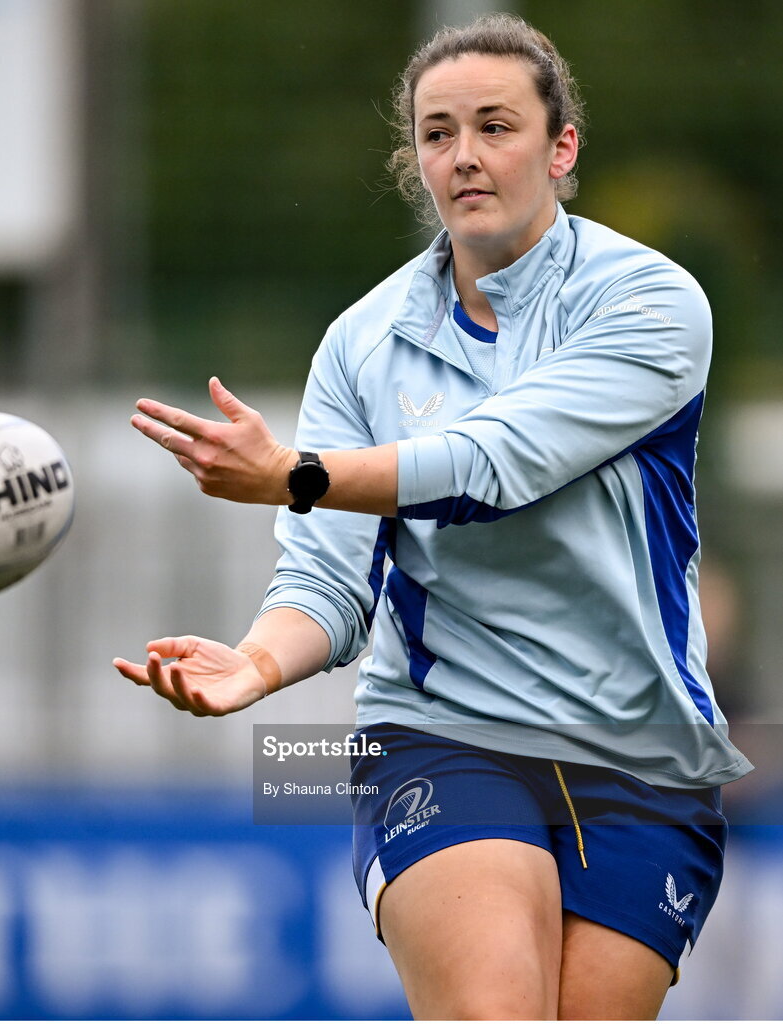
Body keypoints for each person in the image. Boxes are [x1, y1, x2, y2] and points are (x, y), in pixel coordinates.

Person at [114, 13, 752, 1020]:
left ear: (561, 147)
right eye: (437, 132)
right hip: (440, 735)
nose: (464, 156)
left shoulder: (649, 300)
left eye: (495, 126)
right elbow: (326, 582)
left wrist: (297, 472)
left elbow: (497, 461)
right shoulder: (362, 344)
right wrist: (258, 662)